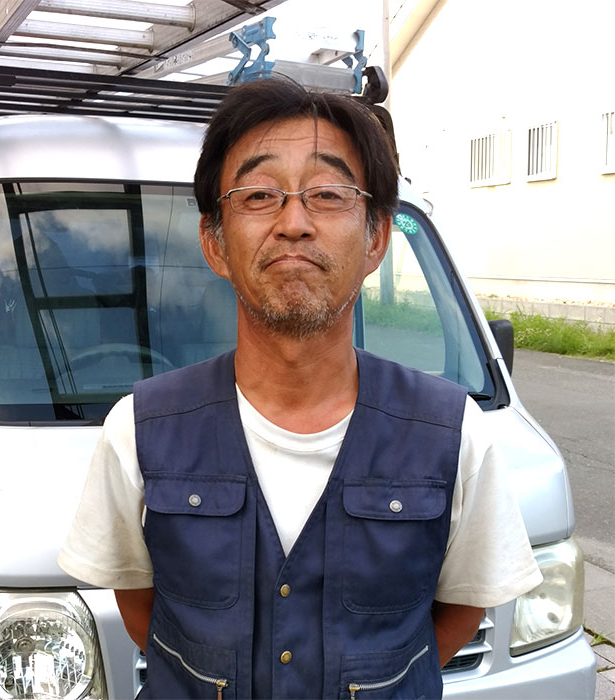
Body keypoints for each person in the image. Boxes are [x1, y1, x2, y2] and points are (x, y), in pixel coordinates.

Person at [58, 78, 542, 699]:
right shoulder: (137, 429)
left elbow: (459, 612)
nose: (293, 223)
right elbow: (140, 608)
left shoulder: (455, 434)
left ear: (375, 238)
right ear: (214, 242)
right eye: (259, 195)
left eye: (328, 194)